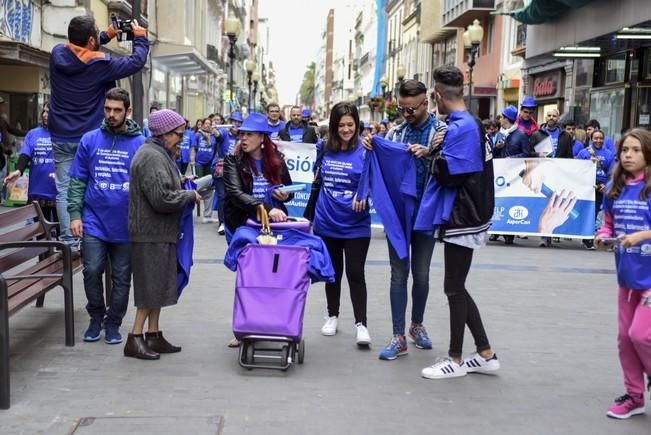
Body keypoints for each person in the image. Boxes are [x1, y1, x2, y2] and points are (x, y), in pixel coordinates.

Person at [420, 65, 499, 380]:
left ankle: (454, 358)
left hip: (463, 214)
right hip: (467, 213)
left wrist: (434, 151)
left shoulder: (461, 127)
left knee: (453, 287)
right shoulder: (464, 124)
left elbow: (451, 175)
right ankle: (485, 353)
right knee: (456, 286)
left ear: (438, 95)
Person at [49, 15, 149, 244]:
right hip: (89, 138)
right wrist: (141, 39)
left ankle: (70, 242)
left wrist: (107, 35)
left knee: (65, 189)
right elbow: (136, 62)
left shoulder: (56, 54)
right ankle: (94, 236)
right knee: (94, 185)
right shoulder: (101, 65)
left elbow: (83, 49)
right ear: (92, 40)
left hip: (60, 135)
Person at [362, 79, 440, 361]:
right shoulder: (395, 133)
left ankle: (416, 324)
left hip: (426, 213)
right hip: (398, 214)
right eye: (403, 108)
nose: (407, 114)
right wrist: (372, 146)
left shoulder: (440, 132)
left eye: (412, 109)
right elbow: (378, 161)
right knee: (398, 273)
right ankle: (398, 337)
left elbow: (456, 162)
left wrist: (430, 153)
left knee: (421, 274)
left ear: (426, 103)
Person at [67, 88, 145, 344]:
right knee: (92, 271)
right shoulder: (90, 140)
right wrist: (75, 214)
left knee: (122, 278)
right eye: (107, 109)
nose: (111, 114)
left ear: (128, 111)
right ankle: (96, 317)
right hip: (94, 222)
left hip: (126, 224)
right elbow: (78, 180)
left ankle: (114, 323)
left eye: (117, 110)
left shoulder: (140, 144)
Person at [125, 109, 201, 360]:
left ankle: (153, 335)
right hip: (151, 233)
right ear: (164, 133)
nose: (182, 138)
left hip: (159, 232)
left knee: (157, 286)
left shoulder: (159, 154)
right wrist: (189, 195)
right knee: (150, 288)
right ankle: (135, 338)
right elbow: (162, 198)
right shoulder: (151, 157)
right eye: (179, 134)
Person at [223, 112, 294, 347]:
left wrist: (284, 193)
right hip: (243, 225)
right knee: (247, 277)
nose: (243, 138)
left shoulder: (276, 159)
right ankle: (243, 330)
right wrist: (264, 206)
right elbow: (235, 194)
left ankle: (269, 323)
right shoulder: (233, 160)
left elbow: (288, 188)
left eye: (249, 134)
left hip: (271, 228)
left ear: (262, 138)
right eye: (242, 133)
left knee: (271, 277)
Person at [594, 128, 651, 419]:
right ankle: (634, 396)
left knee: (641, 335)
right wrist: (603, 235)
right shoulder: (614, 187)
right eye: (624, 150)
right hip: (626, 279)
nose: (628, 155)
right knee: (624, 339)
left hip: (650, 281)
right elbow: (608, 222)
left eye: (635, 150)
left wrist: (642, 235)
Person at [313, 102, 371, 346]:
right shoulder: (323, 148)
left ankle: (361, 324)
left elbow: (375, 180)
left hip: (356, 224)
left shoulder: (367, 150)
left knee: (355, 273)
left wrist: (363, 193)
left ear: (357, 125)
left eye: (351, 124)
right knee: (332, 273)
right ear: (334, 127)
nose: (346, 129)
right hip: (327, 221)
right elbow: (316, 176)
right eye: (341, 125)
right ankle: (332, 315)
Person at [3, 104, 57, 222]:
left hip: (58, 192)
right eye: (44, 111)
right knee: (41, 234)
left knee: (61, 235)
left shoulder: (63, 134)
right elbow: (25, 154)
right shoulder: (33, 134)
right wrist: (18, 171)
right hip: (38, 190)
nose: (45, 115)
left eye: (49, 112)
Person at [490, 105, 530, 245]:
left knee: (511, 201)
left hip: (514, 176)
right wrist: (496, 148)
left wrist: (511, 159)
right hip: (500, 174)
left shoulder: (521, 134)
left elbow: (526, 153)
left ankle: (509, 234)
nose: (500, 119)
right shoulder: (500, 134)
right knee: (498, 201)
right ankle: (495, 231)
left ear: (507, 119)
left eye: (502, 117)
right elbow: (493, 154)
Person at [577, 130, 616, 249]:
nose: (598, 140)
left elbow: (612, 173)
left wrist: (606, 186)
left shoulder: (609, 154)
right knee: (589, 212)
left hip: (602, 188)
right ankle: (587, 238)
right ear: (591, 139)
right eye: (596, 138)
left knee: (602, 213)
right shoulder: (583, 153)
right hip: (587, 187)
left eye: (600, 138)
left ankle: (604, 237)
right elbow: (577, 170)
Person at [0, 96, 27, 171]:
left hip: (3, 154)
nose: (4, 107)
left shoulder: (2, 120)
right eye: (2, 105)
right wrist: (5, 149)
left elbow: (12, 130)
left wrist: (28, 133)